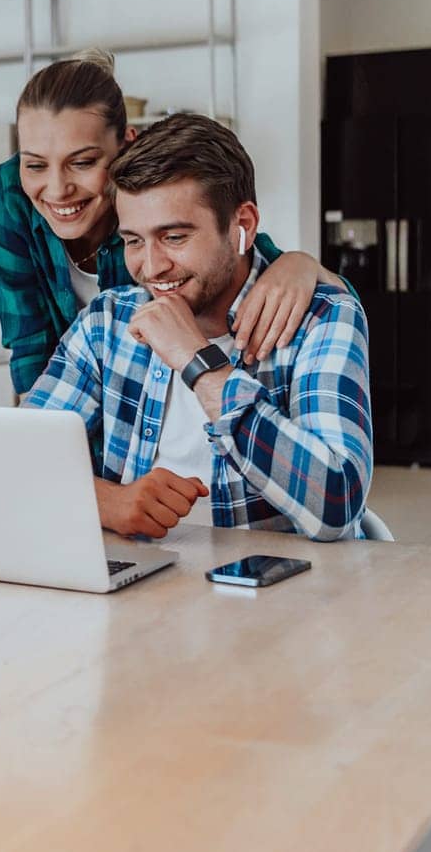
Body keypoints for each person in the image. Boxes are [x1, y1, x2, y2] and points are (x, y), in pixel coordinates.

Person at [24, 113, 373, 541]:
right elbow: (19, 461)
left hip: (279, 592)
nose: (151, 268)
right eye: (134, 240)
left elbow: (336, 506)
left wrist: (199, 362)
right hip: (140, 585)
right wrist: (107, 502)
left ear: (241, 226)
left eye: (174, 237)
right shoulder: (107, 321)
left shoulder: (320, 316)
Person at [0, 49, 346, 401]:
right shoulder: (9, 195)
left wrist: (301, 263)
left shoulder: (155, 204)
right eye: (34, 164)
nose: (58, 190)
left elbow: (245, 254)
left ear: (126, 147)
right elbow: (29, 344)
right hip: (73, 391)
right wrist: (43, 432)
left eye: (83, 162)